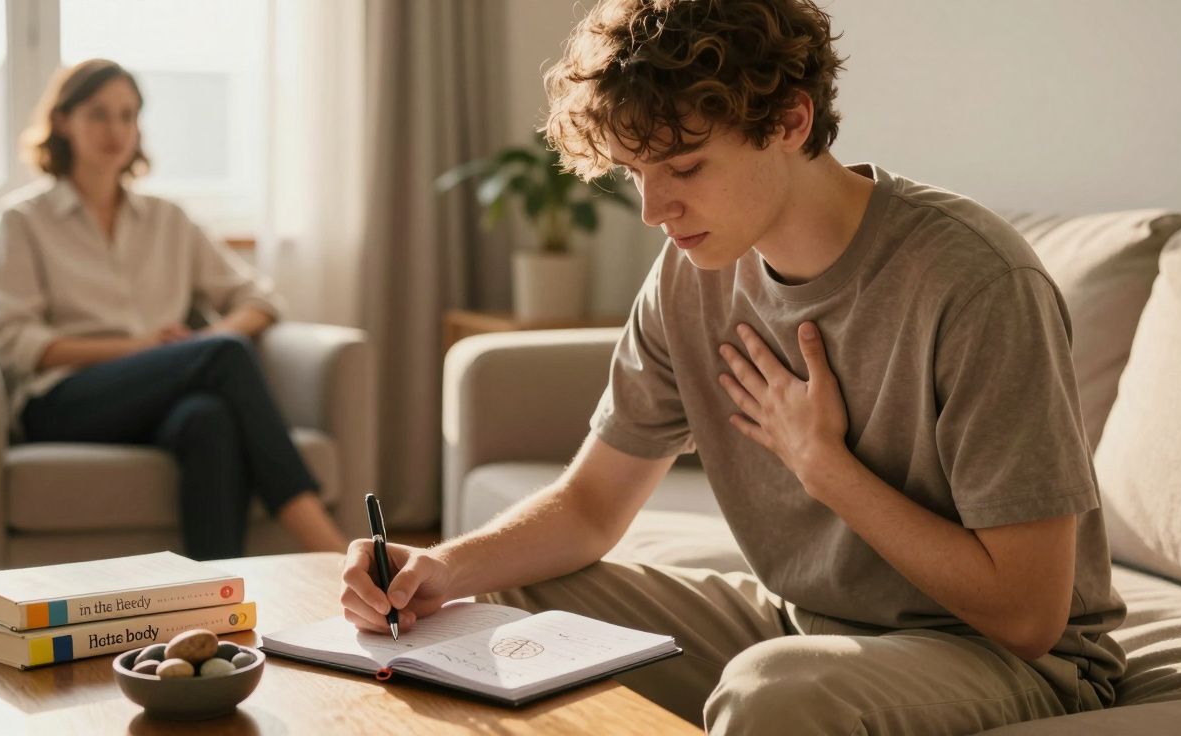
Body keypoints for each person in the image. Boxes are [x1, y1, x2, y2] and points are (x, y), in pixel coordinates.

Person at [341, 1, 1127, 732]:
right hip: (800, 622)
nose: (654, 210)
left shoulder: (976, 281)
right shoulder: (691, 274)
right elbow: (589, 509)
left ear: (790, 120)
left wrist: (826, 466)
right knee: (508, 596)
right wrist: (439, 568)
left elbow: (1029, 615)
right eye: (633, 173)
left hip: (1010, 659)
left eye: (684, 168)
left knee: (774, 688)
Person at [0, 59, 347, 560]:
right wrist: (145, 348)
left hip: (156, 397)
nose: (116, 130)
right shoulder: (22, 221)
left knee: (209, 417)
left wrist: (195, 349)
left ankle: (213, 607)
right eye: (99, 114)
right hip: (63, 401)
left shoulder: (168, 220)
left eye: (128, 116)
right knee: (223, 355)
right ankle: (329, 551)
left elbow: (259, 300)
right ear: (63, 121)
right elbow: (16, 343)